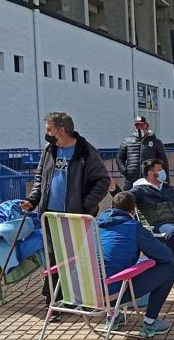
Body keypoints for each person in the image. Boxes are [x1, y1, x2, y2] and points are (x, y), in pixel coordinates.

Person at [21, 112, 110, 321]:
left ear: (62, 130)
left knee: (75, 259)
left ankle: (80, 299)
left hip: (75, 217)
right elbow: (39, 178)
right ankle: (53, 302)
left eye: (49, 130)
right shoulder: (50, 150)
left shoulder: (85, 151)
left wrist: (84, 206)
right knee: (54, 258)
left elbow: (102, 181)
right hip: (50, 216)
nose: (46, 134)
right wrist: (33, 200)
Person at [109, 158, 174, 279]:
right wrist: (113, 188)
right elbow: (124, 199)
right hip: (160, 226)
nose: (163, 172)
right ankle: (173, 266)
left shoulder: (169, 188)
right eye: (159, 169)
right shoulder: (139, 190)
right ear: (150, 173)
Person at [98, 191, 174, 337]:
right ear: (133, 211)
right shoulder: (132, 226)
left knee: (109, 265)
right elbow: (166, 256)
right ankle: (150, 322)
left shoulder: (94, 224)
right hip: (111, 293)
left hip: (83, 291)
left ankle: (114, 317)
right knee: (170, 267)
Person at [116, 116, 169, 190]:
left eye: (141, 125)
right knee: (129, 201)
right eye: (137, 125)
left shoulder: (156, 142)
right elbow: (119, 157)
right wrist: (124, 170)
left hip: (149, 181)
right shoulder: (127, 141)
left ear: (147, 125)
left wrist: (166, 181)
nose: (139, 127)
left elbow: (164, 162)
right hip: (131, 182)